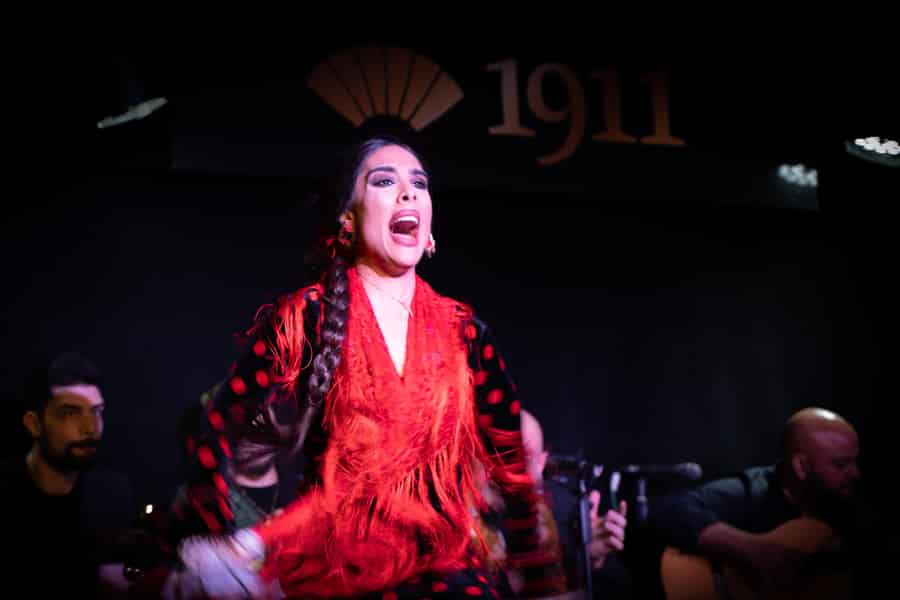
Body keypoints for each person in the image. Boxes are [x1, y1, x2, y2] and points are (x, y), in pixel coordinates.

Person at [167, 135, 554, 598]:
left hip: (443, 568)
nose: (408, 193)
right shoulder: (308, 315)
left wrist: (542, 583)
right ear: (347, 217)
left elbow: (513, 466)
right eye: (385, 181)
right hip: (336, 573)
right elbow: (215, 427)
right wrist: (220, 540)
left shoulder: (463, 331)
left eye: (419, 184)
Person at [650, 406, 870, 598]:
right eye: (841, 465)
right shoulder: (755, 491)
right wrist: (751, 550)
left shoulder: (851, 511)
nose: (855, 474)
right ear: (801, 466)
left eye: (855, 461)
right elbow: (672, 509)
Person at [2, 351, 140, 598]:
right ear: (34, 424)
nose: (90, 428)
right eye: (70, 413)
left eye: (96, 411)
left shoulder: (112, 493)